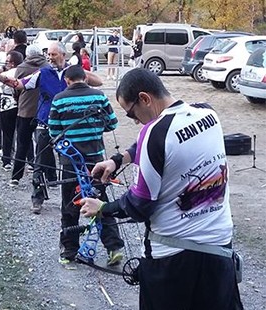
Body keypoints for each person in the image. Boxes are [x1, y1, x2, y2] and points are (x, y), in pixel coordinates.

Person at [79, 68, 244, 310]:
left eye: (131, 113)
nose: (135, 121)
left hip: (172, 261)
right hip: (219, 251)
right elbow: (165, 139)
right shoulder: (207, 113)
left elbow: (139, 205)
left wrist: (103, 207)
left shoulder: (153, 133)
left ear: (145, 98)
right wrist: (118, 160)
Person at [0, 41, 103, 214]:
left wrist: (79, 71)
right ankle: (37, 198)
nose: (50, 57)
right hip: (45, 124)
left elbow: (98, 82)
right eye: (48, 54)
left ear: (63, 55)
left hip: (69, 128)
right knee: (39, 163)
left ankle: (78, 200)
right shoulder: (42, 73)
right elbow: (19, 84)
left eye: (53, 54)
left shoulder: (71, 71)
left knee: (72, 163)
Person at [49, 65, 124, 265]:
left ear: (67, 80)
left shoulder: (59, 99)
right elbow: (113, 123)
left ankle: (69, 251)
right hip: (97, 162)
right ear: (86, 78)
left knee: (70, 204)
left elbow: (54, 131)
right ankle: (114, 247)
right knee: (102, 202)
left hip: (70, 164)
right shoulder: (99, 97)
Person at [9, 45, 49, 187]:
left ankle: (16, 176)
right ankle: (49, 176)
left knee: (22, 144)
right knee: (45, 146)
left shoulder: (22, 67)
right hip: (44, 112)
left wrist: (17, 100)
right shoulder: (48, 66)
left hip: (25, 110)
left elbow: (16, 88)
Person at [0, 51, 24, 171]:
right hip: (23, 106)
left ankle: (6, 160)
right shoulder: (25, 73)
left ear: (12, 63)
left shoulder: (7, 74)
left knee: (7, 134)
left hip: (7, 105)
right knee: (23, 135)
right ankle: (29, 161)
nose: (6, 63)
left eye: (7, 61)